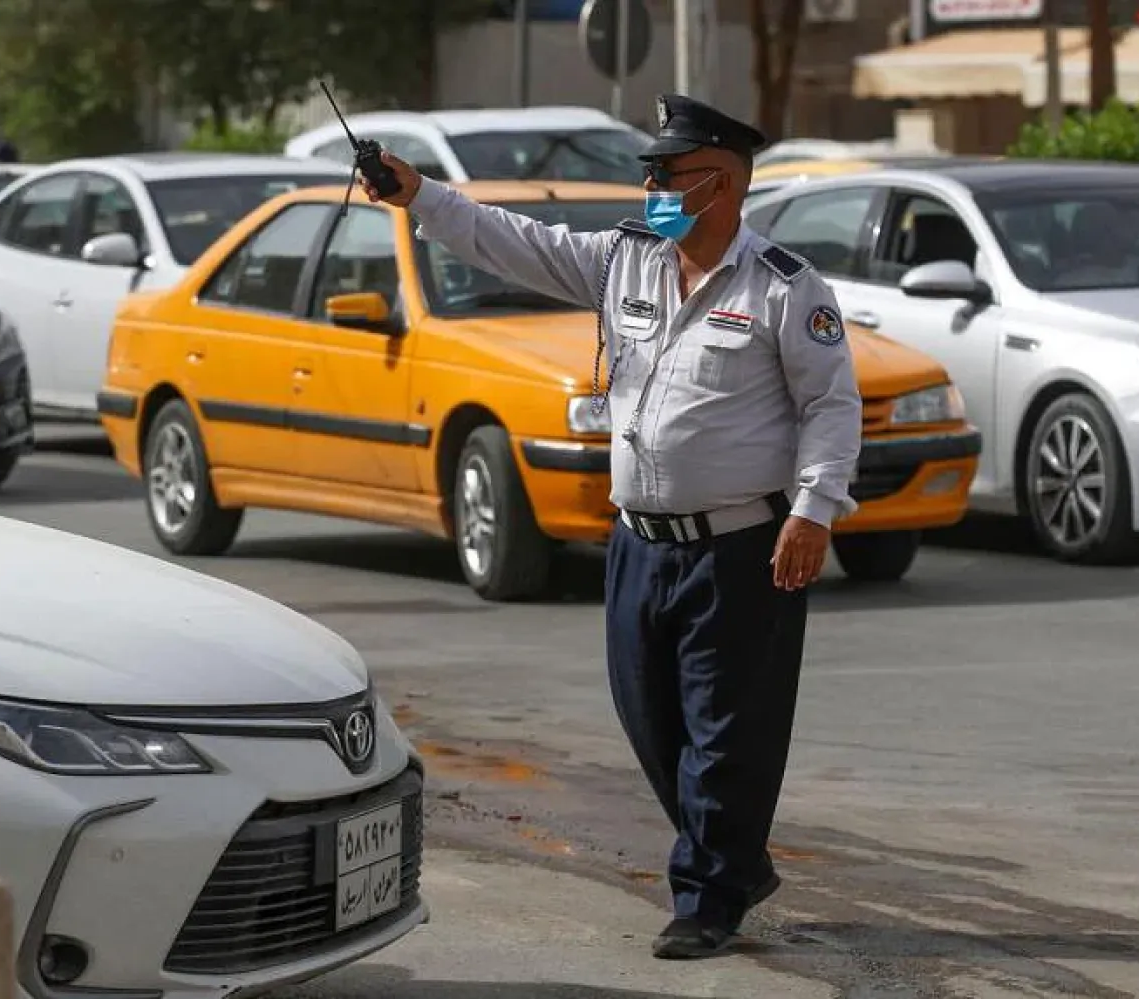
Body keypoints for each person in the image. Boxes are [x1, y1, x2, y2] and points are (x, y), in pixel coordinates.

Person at [357, 94, 862, 959]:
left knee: (725, 729)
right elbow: (511, 241)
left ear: (724, 182)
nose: (653, 187)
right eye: (649, 173)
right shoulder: (623, 261)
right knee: (650, 718)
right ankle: (732, 853)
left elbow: (831, 403)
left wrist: (814, 510)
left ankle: (706, 895)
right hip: (638, 543)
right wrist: (417, 194)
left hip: (740, 545)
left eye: (668, 173)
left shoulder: (784, 286)